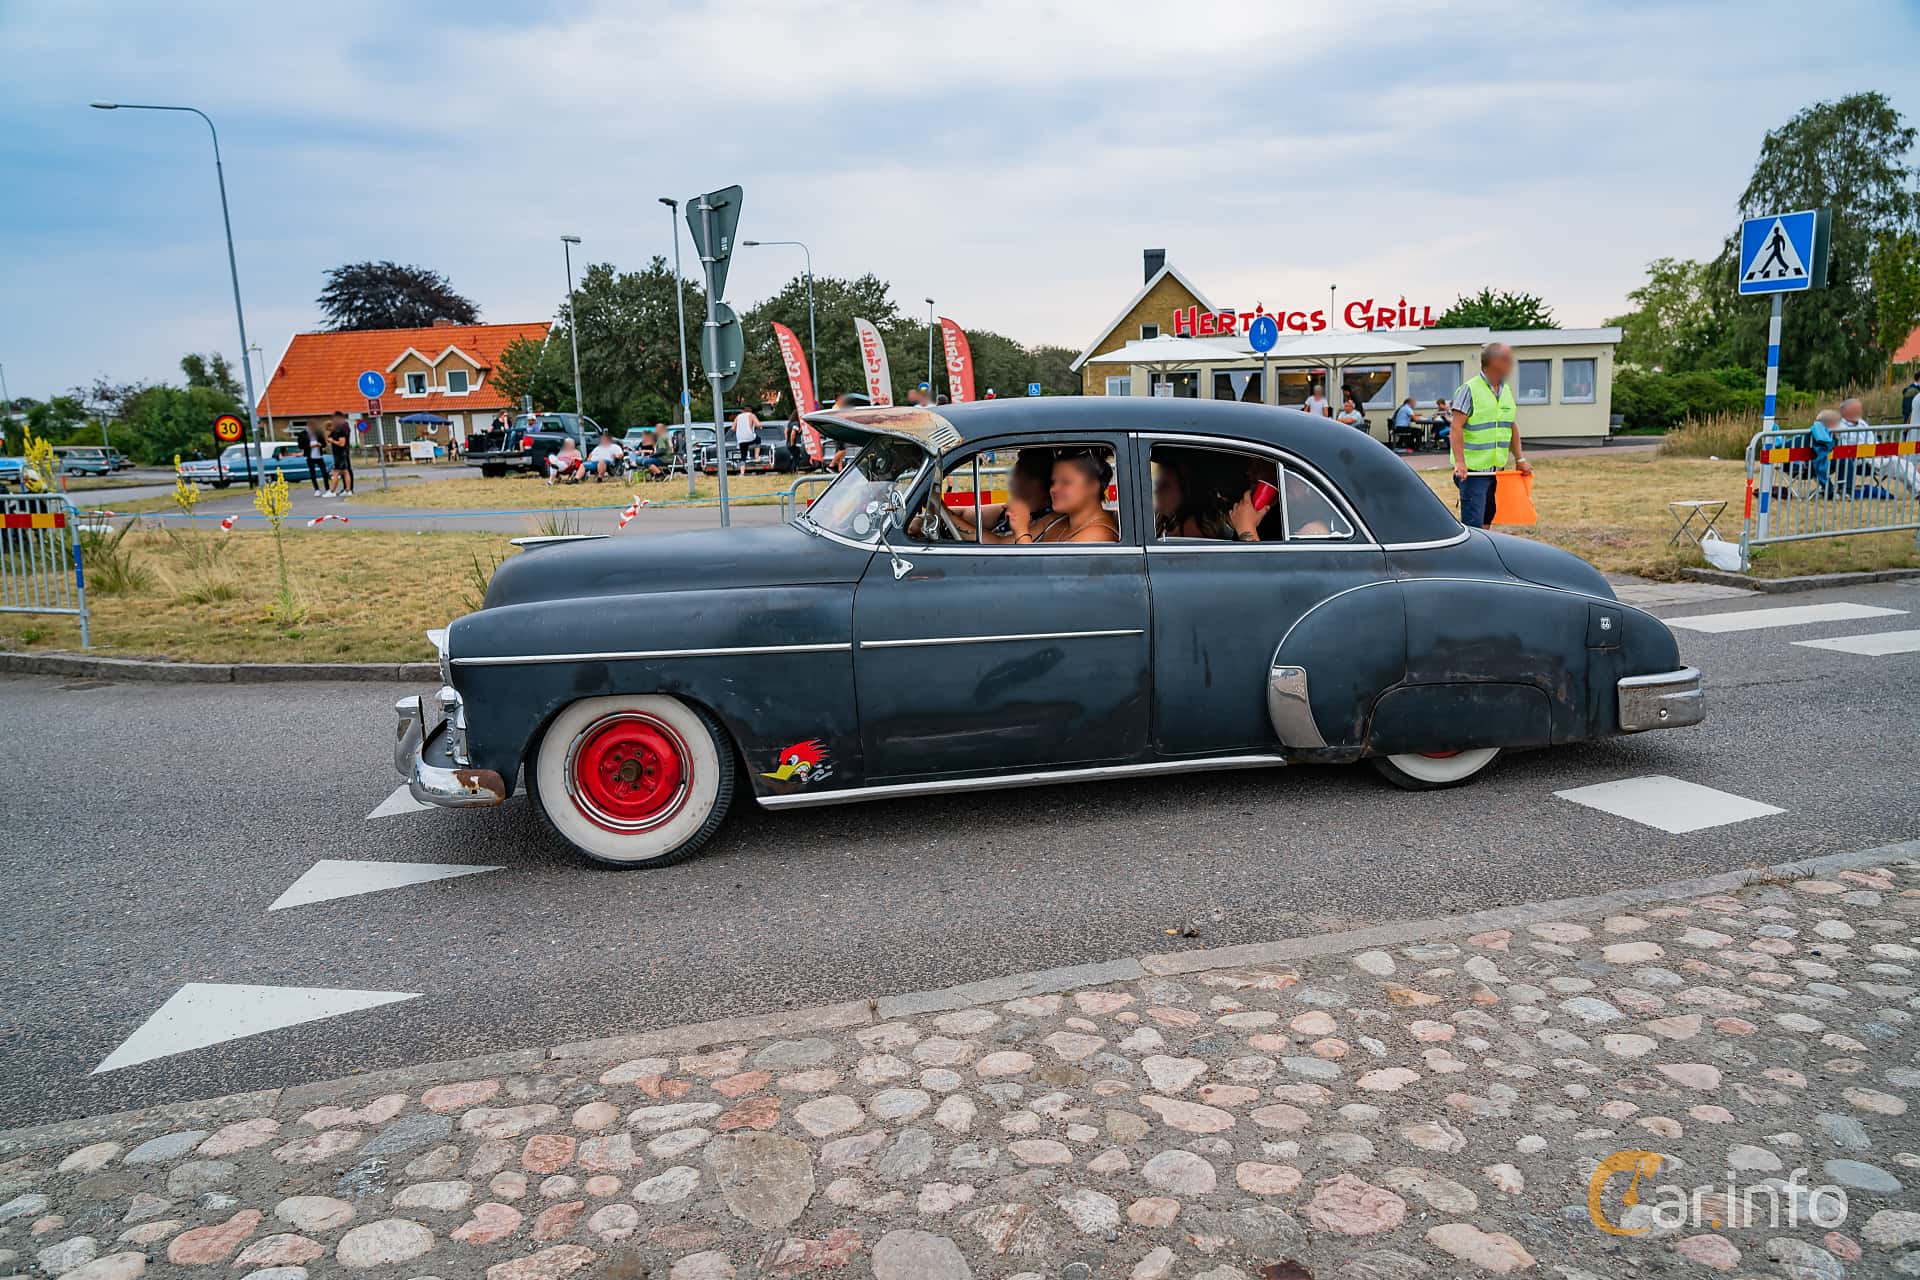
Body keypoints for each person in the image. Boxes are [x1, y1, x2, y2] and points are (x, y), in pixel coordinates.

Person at [1449, 342, 1531, 529]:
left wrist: (1520, 458)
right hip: (1472, 472)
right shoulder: (1469, 389)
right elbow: (1456, 428)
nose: (1511, 364)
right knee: (1473, 523)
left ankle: (1484, 554)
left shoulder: (1505, 390)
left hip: (1496, 470)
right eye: (1507, 360)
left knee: (1488, 517)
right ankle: (1472, 557)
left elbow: (1510, 425)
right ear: (1494, 362)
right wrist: (1460, 462)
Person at [945, 447, 1058, 543]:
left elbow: (999, 544)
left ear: (1036, 482)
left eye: (1020, 471)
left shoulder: (1049, 520)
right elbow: (964, 513)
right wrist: (941, 510)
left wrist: (947, 514)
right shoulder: (1011, 510)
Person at [1009, 451, 1119, 544]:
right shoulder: (1058, 519)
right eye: (1053, 482)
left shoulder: (1097, 535)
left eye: (1066, 482)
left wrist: (1021, 532)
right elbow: (1000, 543)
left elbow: (1039, 569)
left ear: (1093, 485)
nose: (1053, 489)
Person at [327, 412, 354, 497]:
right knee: (345, 471)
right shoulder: (337, 428)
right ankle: (347, 489)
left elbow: (342, 443)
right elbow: (329, 437)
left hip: (341, 453)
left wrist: (332, 441)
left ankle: (332, 491)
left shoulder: (343, 428)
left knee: (337, 471)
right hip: (340, 452)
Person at [295, 425, 328, 494]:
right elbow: (300, 446)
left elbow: (324, 444)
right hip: (310, 457)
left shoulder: (318, 433)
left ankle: (327, 489)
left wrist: (320, 445)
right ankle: (317, 489)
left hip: (319, 456)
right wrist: (309, 446)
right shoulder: (303, 434)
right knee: (313, 474)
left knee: (325, 473)